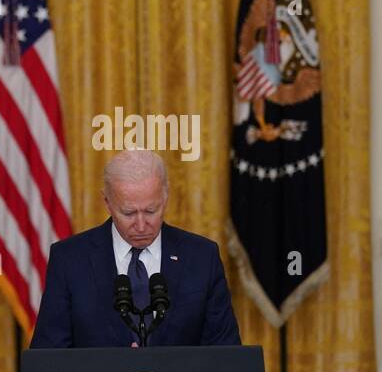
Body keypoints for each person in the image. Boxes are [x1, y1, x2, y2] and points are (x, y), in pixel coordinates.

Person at [29, 149, 242, 348]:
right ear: (107, 202)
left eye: (151, 211)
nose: (141, 225)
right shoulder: (69, 260)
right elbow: (49, 361)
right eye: (129, 213)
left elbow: (226, 357)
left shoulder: (202, 257)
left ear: (165, 197)